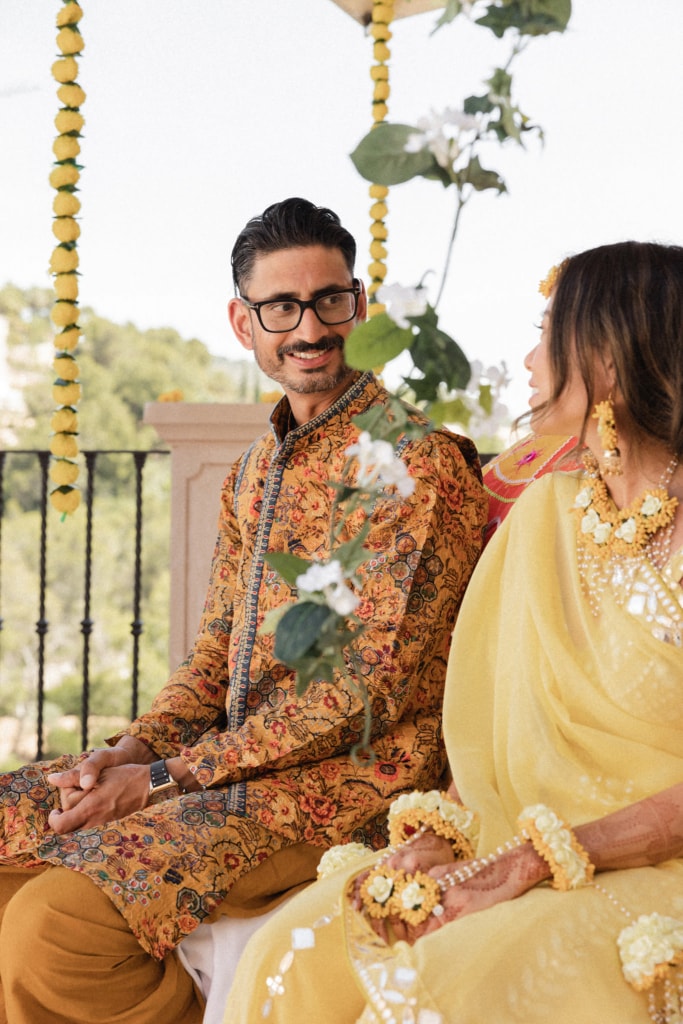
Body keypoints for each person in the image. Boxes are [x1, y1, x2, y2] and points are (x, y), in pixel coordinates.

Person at [0, 197, 487, 1024]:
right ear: (243, 322)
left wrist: (157, 782)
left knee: (55, 929)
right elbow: (214, 655)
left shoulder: (412, 467)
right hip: (225, 766)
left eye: (330, 300)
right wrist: (129, 749)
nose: (310, 328)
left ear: (359, 307)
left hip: (347, 787)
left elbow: (357, 697)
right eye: (281, 307)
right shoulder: (256, 468)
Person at [223, 240, 683, 1024]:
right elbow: (484, 731)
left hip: (649, 859)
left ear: (607, 358)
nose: (531, 359)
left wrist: (534, 864)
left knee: (448, 984)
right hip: (513, 841)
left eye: (548, 332)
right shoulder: (546, 515)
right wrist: (440, 838)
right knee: (297, 945)